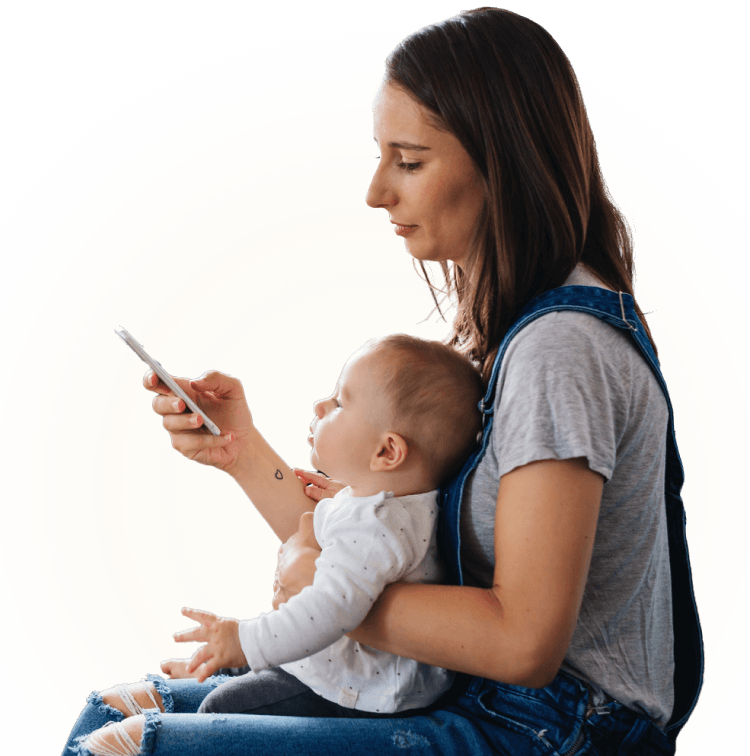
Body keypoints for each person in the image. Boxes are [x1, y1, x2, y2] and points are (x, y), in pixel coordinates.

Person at [61, 7, 703, 755]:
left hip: (548, 730)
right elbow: (373, 539)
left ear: (505, 165)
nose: (376, 192)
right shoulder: (510, 337)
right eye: (380, 156)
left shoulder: (559, 350)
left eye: (410, 161)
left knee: (128, 745)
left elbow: (524, 641)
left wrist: (328, 594)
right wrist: (240, 452)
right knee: (107, 716)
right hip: (483, 700)